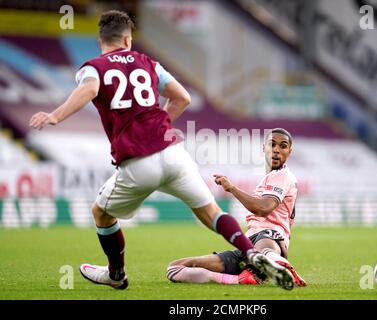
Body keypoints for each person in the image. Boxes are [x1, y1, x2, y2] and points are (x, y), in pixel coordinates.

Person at [29, 10, 293, 290]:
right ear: (128, 39)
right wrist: (156, 126)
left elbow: (90, 88)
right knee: (212, 213)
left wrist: (56, 115)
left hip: (138, 162)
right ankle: (251, 252)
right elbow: (183, 98)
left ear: (100, 40)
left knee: (102, 214)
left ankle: (116, 274)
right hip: (174, 154)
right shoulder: (148, 63)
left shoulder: (94, 67)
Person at [167, 128, 306, 288]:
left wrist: (232, 188)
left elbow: (263, 208)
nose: (276, 150)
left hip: (269, 237)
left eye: (282, 146)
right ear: (264, 148)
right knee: (175, 268)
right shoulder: (268, 178)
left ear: (290, 151)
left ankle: (278, 265)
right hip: (246, 246)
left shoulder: (282, 175)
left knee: (264, 250)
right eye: (271, 144)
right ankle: (242, 277)